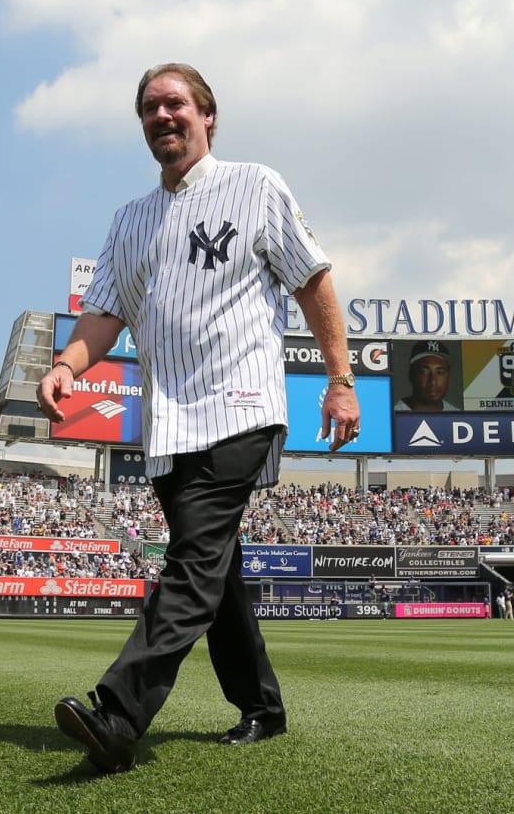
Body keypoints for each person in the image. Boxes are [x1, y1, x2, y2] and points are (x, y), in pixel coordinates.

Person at [36, 63, 360, 775]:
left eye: (175, 103)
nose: (162, 116)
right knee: (215, 572)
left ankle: (119, 717)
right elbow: (104, 313)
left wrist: (340, 380)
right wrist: (68, 366)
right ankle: (264, 707)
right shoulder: (130, 219)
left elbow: (313, 280)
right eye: (149, 108)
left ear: (207, 115)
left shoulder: (257, 185)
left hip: (241, 406)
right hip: (170, 424)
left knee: (190, 565)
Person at [394, 340, 458, 412]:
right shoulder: (391, 417)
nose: (433, 381)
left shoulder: (458, 417)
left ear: (448, 377)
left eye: (440, 372)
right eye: (424, 372)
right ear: (411, 375)